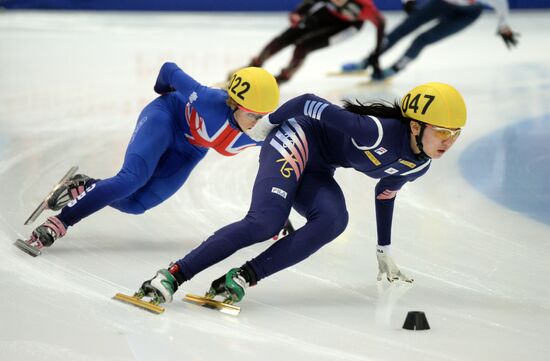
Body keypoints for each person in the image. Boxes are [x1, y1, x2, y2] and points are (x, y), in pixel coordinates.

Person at [135, 82, 467, 306]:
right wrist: (269, 122)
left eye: (455, 134)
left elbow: (385, 193)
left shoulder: (416, 165)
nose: (448, 142)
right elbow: (308, 102)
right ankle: (171, 276)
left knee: (334, 221)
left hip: (319, 168)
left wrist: (384, 251)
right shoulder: (373, 132)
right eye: (442, 132)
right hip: (297, 137)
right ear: (414, 126)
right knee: (266, 222)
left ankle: (239, 278)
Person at [21, 62, 286, 253]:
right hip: (166, 117)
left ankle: (87, 185)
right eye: (253, 115)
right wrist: (164, 95)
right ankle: (59, 222)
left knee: (135, 204)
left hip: (190, 149)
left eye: (263, 117)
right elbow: (169, 70)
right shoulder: (207, 100)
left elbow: (275, 170)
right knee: (132, 179)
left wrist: (277, 211)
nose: (258, 123)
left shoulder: (259, 133)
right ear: (235, 104)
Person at [341, 0, 519, 80]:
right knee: (402, 29)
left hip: (467, 15)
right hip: (441, 3)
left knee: (422, 39)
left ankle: (395, 69)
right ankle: (366, 61)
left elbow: (502, 5)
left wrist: (503, 25)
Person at [244, 0, 385, 84]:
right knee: (286, 37)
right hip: (329, 14)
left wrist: (376, 54)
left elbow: (381, 23)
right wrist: (298, 12)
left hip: (348, 26)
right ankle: (255, 64)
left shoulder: (364, 7)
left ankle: (283, 77)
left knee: (303, 47)